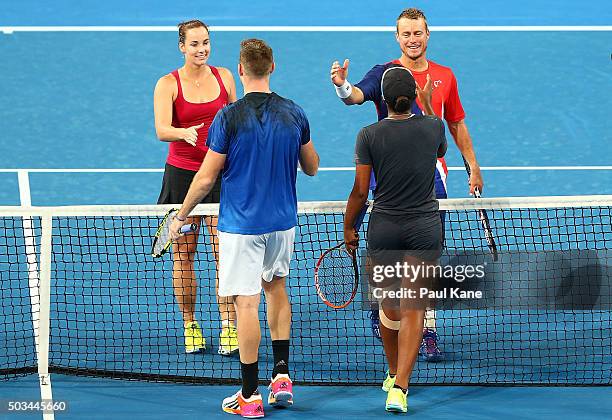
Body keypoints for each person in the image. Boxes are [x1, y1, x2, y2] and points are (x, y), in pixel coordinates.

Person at [169, 38, 319, 418]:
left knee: (247, 303)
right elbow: (313, 166)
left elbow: (206, 177)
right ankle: (282, 375)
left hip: (241, 226)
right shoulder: (295, 113)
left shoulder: (228, 117)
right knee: (277, 289)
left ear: (240, 70)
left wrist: (182, 215)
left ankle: (250, 395)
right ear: (272, 67)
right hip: (283, 223)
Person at [330, 7, 484, 363]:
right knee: (389, 259)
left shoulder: (446, 75)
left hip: (433, 180)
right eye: (406, 34)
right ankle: (386, 309)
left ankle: (427, 326)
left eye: (418, 33)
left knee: (425, 263)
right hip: (388, 179)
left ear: (428, 35)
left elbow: (456, 124)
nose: (412, 39)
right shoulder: (384, 74)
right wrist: (341, 86)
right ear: (397, 37)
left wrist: (472, 166)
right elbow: (355, 96)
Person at [344, 66, 447, 412]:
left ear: (383, 100)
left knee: (389, 307)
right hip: (423, 229)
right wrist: (430, 104)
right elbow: (440, 147)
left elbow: (360, 192)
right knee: (414, 305)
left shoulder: (368, 135)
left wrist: (349, 226)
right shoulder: (433, 126)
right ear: (414, 97)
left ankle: (394, 374)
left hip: (384, 228)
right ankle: (400, 385)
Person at [153, 19, 239, 356]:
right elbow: (162, 129)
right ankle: (190, 325)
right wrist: (182, 132)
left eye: (206, 43)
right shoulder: (167, 84)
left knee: (225, 255)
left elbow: (236, 117)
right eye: (194, 44)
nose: (201, 49)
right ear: (181, 47)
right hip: (182, 177)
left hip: (220, 176)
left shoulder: (224, 78)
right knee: (183, 254)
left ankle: (228, 326)